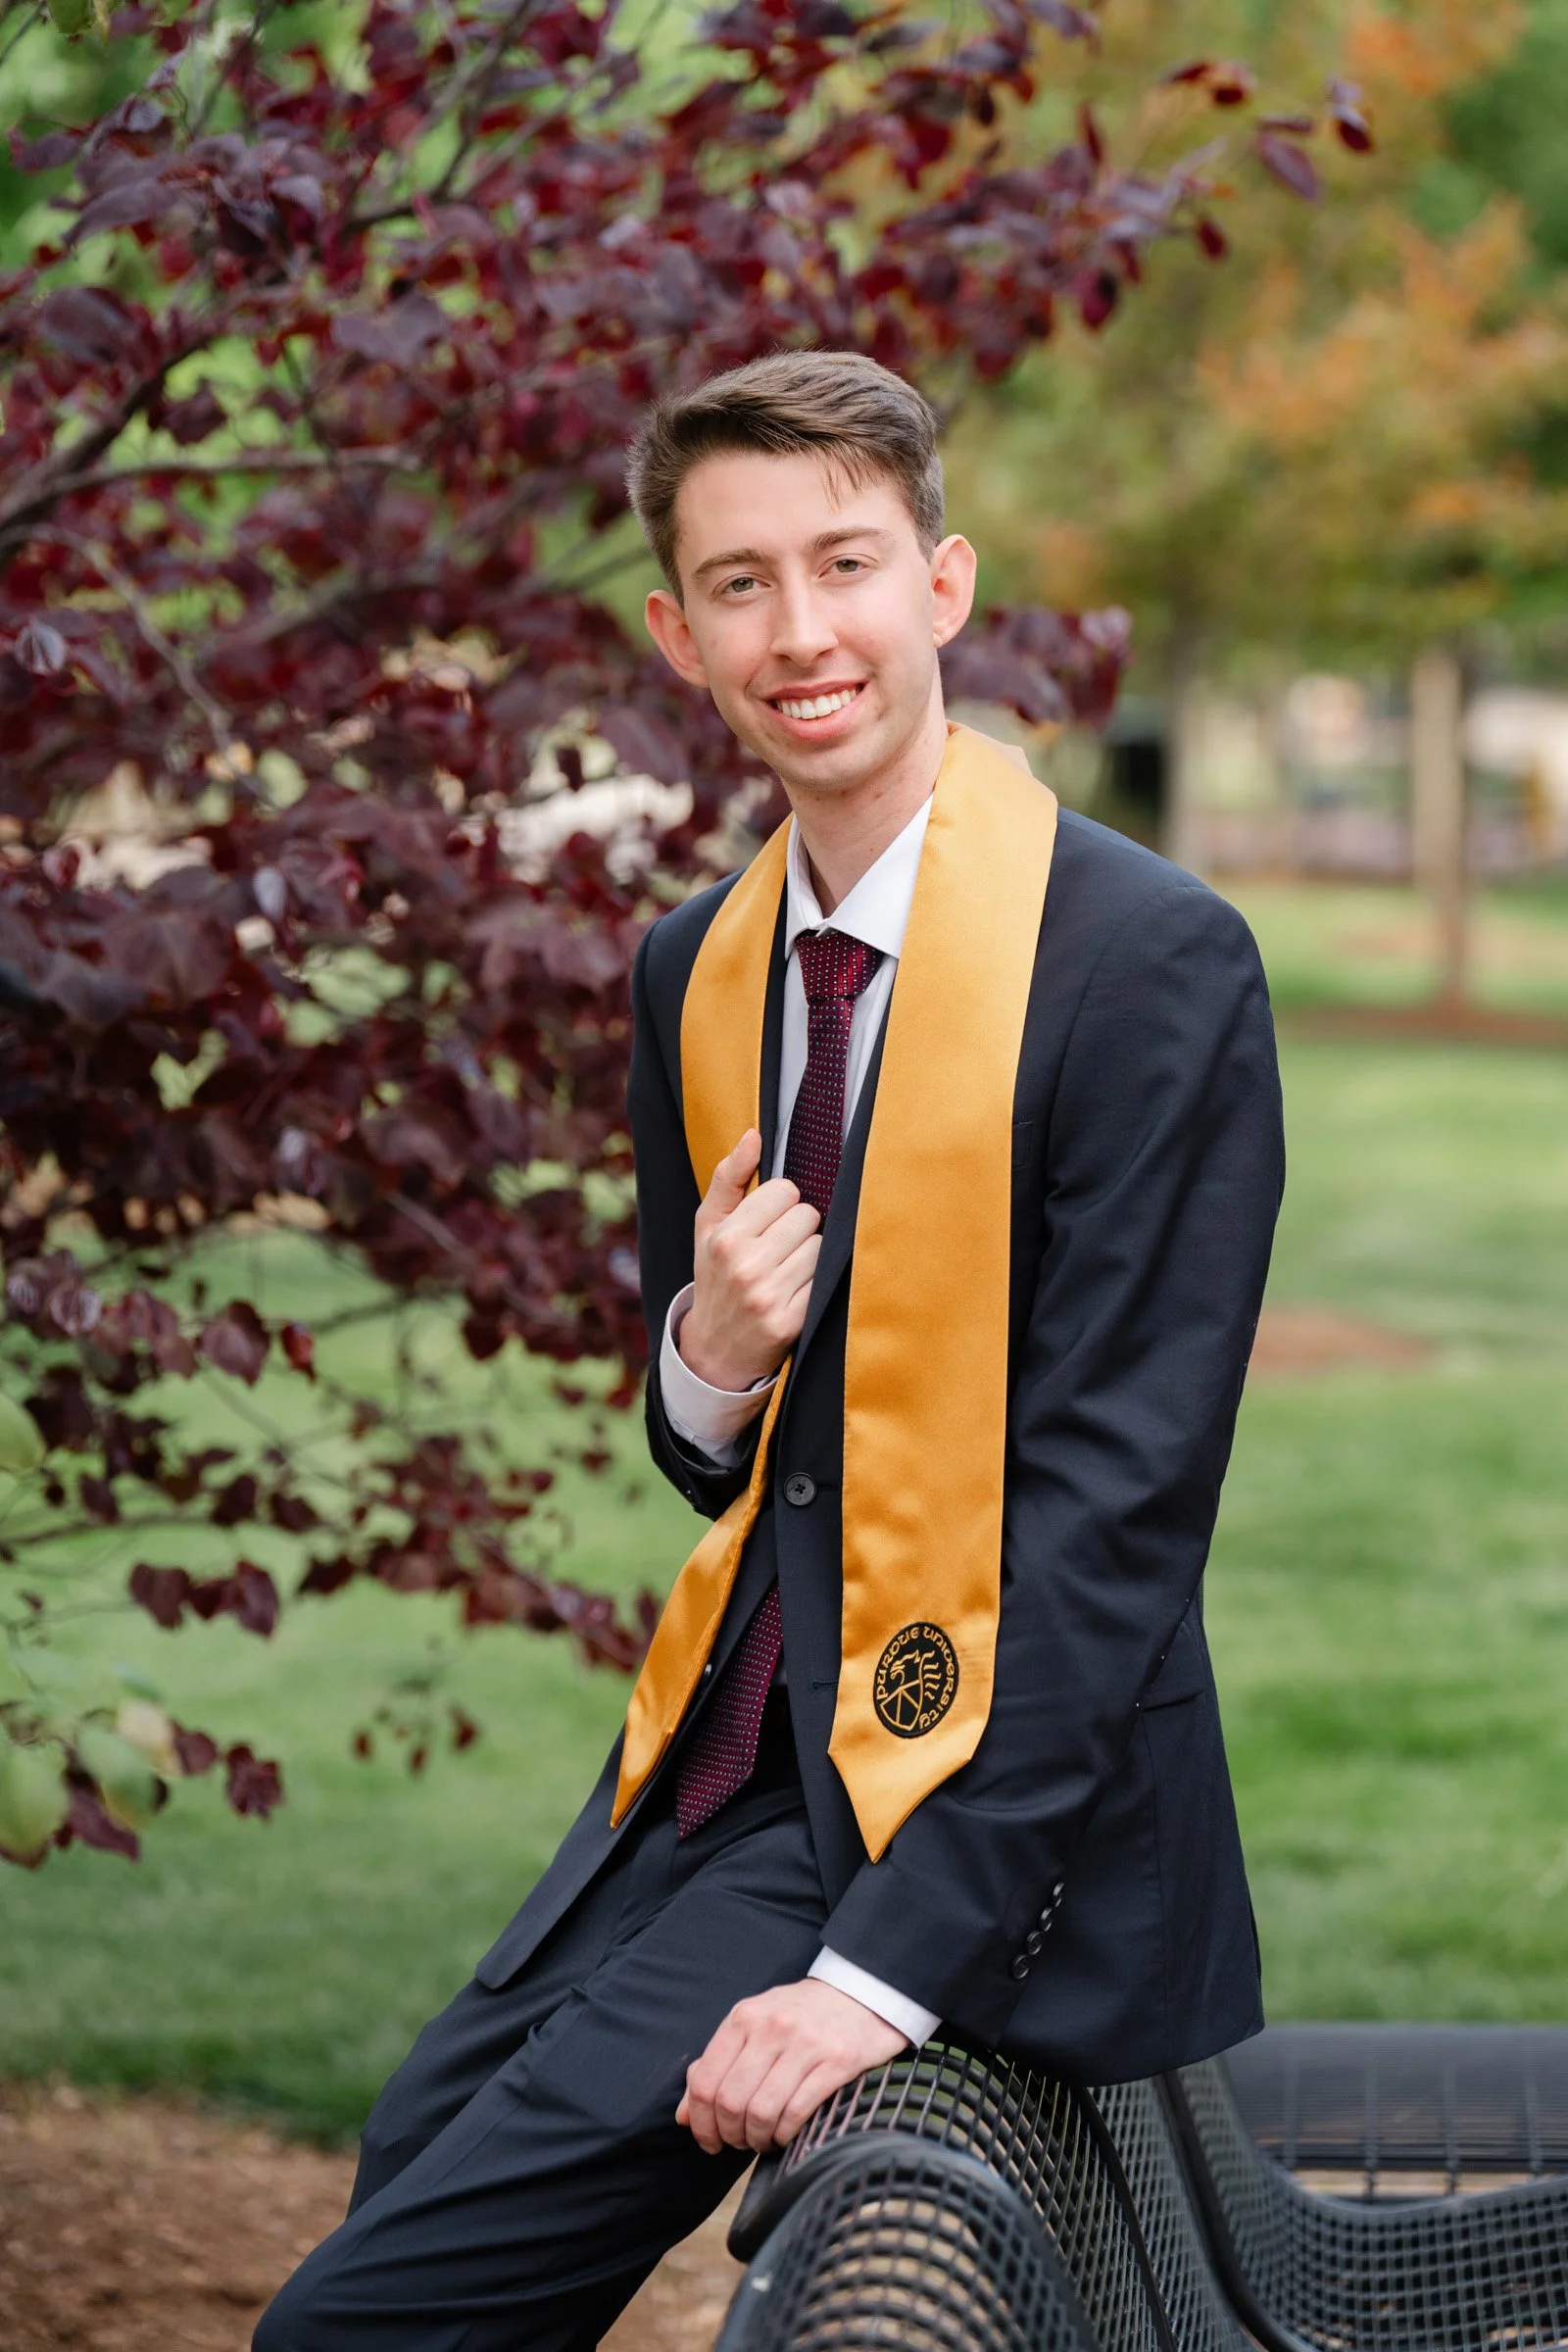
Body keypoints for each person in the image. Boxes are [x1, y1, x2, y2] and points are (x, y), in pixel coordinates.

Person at [255, 350, 1284, 2351]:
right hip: (720, 1765)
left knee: (359, 2324)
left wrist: (873, 1975)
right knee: (407, 2165)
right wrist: (707, 1355)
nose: (797, 631)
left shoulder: (1144, 968)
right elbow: (722, 1455)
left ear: (943, 584)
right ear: (674, 633)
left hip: (941, 1807)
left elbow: (1115, 1525)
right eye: (738, 583)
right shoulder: (696, 967)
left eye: (844, 563)